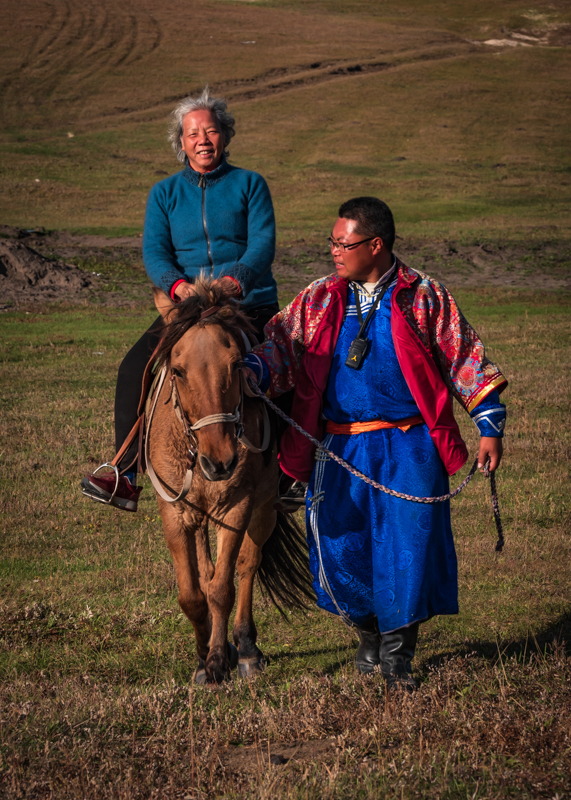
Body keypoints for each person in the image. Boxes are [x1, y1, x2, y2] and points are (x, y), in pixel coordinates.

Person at [245, 196, 507, 690]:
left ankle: (397, 657)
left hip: (409, 447)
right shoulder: (321, 297)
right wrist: (250, 369)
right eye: (333, 242)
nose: (335, 252)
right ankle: (366, 636)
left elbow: (464, 358)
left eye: (344, 244)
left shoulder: (423, 296)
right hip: (341, 449)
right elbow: (280, 345)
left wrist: (489, 425)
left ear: (376, 245)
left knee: (406, 549)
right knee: (342, 549)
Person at [81, 87, 278, 512]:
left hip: (247, 302)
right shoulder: (164, 194)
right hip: (186, 308)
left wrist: (233, 281)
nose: (203, 140)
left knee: (287, 366)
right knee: (135, 366)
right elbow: (155, 252)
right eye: (193, 134)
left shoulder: (250, 184)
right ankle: (124, 472)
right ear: (181, 142)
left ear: (225, 135)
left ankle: (291, 470)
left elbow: (262, 244)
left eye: (210, 131)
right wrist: (176, 287)